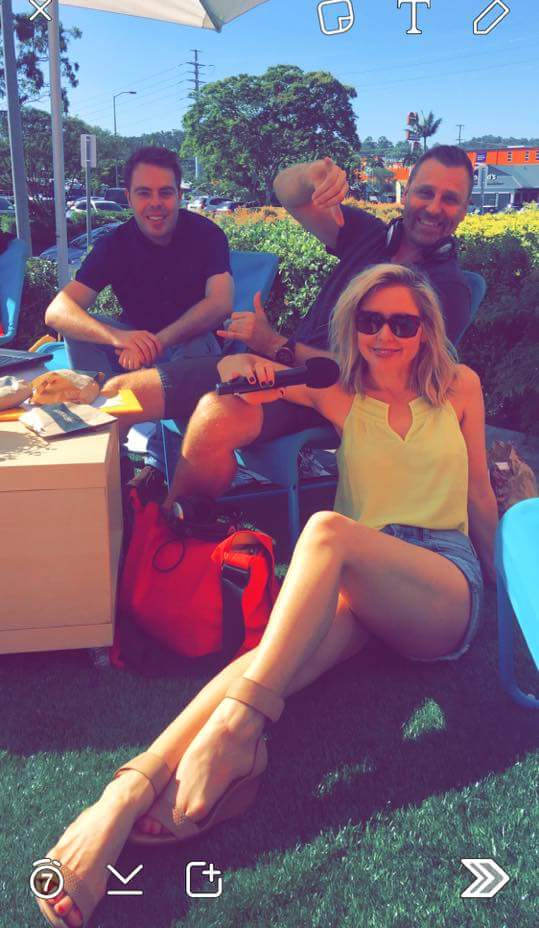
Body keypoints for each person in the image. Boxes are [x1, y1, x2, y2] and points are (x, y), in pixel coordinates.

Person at [35, 263, 498, 928]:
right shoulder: (337, 389)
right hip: (359, 583)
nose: (386, 336)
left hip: (442, 583)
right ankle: (125, 792)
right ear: (353, 328)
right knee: (263, 661)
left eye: (403, 323)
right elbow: (250, 383)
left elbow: (478, 491)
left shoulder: (459, 387)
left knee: (325, 532)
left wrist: (505, 587)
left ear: (426, 330)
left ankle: (237, 732)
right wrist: (236, 367)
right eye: (371, 321)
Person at [101, 144, 475, 502]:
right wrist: (312, 175)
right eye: (425, 193)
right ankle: (103, 514)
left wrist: (276, 345)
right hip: (277, 366)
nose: (434, 207)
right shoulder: (370, 236)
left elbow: (381, 380)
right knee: (123, 394)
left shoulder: (447, 289)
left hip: (331, 397)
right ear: (406, 193)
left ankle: (174, 529)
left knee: (215, 417)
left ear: (464, 209)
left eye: (450, 199)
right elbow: (288, 192)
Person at [44, 146, 233, 475]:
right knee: (81, 332)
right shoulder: (114, 245)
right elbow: (58, 311)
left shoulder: (207, 235)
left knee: (193, 345)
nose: (155, 203)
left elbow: (220, 303)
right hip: (134, 345)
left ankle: (180, 471)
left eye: (165, 192)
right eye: (144, 193)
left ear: (179, 195)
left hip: (194, 350)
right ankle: (107, 448)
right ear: (129, 197)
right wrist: (118, 337)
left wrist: (156, 342)